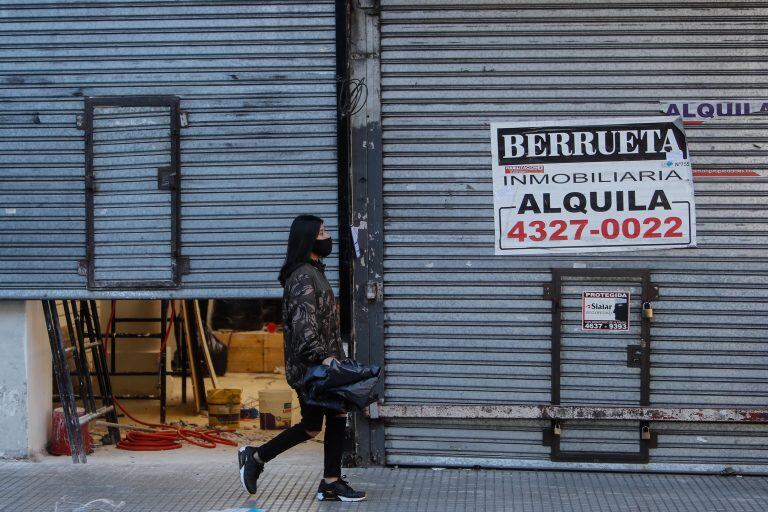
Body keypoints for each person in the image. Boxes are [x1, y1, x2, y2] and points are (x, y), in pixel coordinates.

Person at [238, 215, 366, 502]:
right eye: (322, 232)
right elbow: (304, 326)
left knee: (335, 414)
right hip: (311, 367)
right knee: (312, 426)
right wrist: (324, 359)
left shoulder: (314, 271)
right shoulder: (303, 277)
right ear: (309, 239)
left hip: (324, 362)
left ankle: (331, 481)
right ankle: (256, 457)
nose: (327, 236)